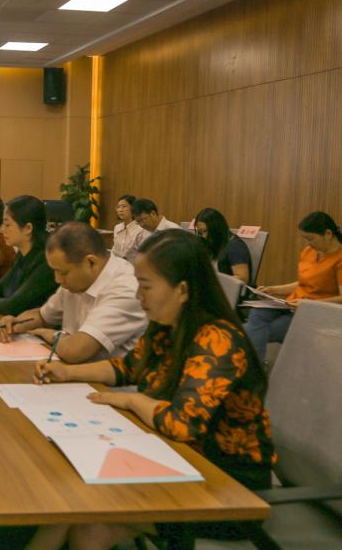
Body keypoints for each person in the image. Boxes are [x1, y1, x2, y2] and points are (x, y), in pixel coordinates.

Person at [29, 230, 274, 550]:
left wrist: (133, 400)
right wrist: (67, 372)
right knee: (72, 506)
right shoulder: (167, 325)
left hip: (226, 485)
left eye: (145, 286)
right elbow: (128, 367)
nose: (138, 296)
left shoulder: (218, 340)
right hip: (173, 458)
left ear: (182, 290)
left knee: (83, 516)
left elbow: (181, 423)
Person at [0, 222, 147, 363]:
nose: (57, 279)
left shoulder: (126, 289)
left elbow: (76, 351)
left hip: (105, 380)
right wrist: (15, 324)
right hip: (73, 372)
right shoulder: (75, 280)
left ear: (91, 262)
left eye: (62, 272)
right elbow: (42, 316)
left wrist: (50, 334)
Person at [245, 211, 342, 361]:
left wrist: (308, 304)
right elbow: (303, 283)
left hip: (315, 311)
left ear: (328, 234)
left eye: (311, 239)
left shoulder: (339, 259)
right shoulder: (310, 251)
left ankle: (254, 367)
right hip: (292, 304)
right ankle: (256, 366)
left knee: (259, 330)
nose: (308, 244)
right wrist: (273, 290)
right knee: (257, 313)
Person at [194, 207, 251, 284]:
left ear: (216, 229)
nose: (204, 236)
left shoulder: (235, 247)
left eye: (205, 231)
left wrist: (211, 278)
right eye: (200, 233)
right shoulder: (210, 243)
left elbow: (242, 279)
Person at [111, 193, 143, 261]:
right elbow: (114, 250)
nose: (120, 210)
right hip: (117, 264)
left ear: (133, 208)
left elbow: (142, 255)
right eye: (118, 207)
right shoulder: (117, 227)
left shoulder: (140, 229)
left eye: (124, 206)